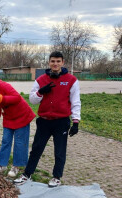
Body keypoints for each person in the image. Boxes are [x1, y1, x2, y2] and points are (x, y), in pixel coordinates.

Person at [14, 51, 81, 187]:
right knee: (36, 149)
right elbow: (32, 100)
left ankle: (56, 177)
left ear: (62, 62)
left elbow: (75, 101)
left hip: (61, 121)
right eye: (52, 61)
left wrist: (75, 121)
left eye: (58, 61)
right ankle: (27, 174)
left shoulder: (71, 80)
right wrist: (40, 92)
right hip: (44, 121)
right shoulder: (40, 80)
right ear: (49, 62)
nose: (55, 64)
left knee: (59, 151)